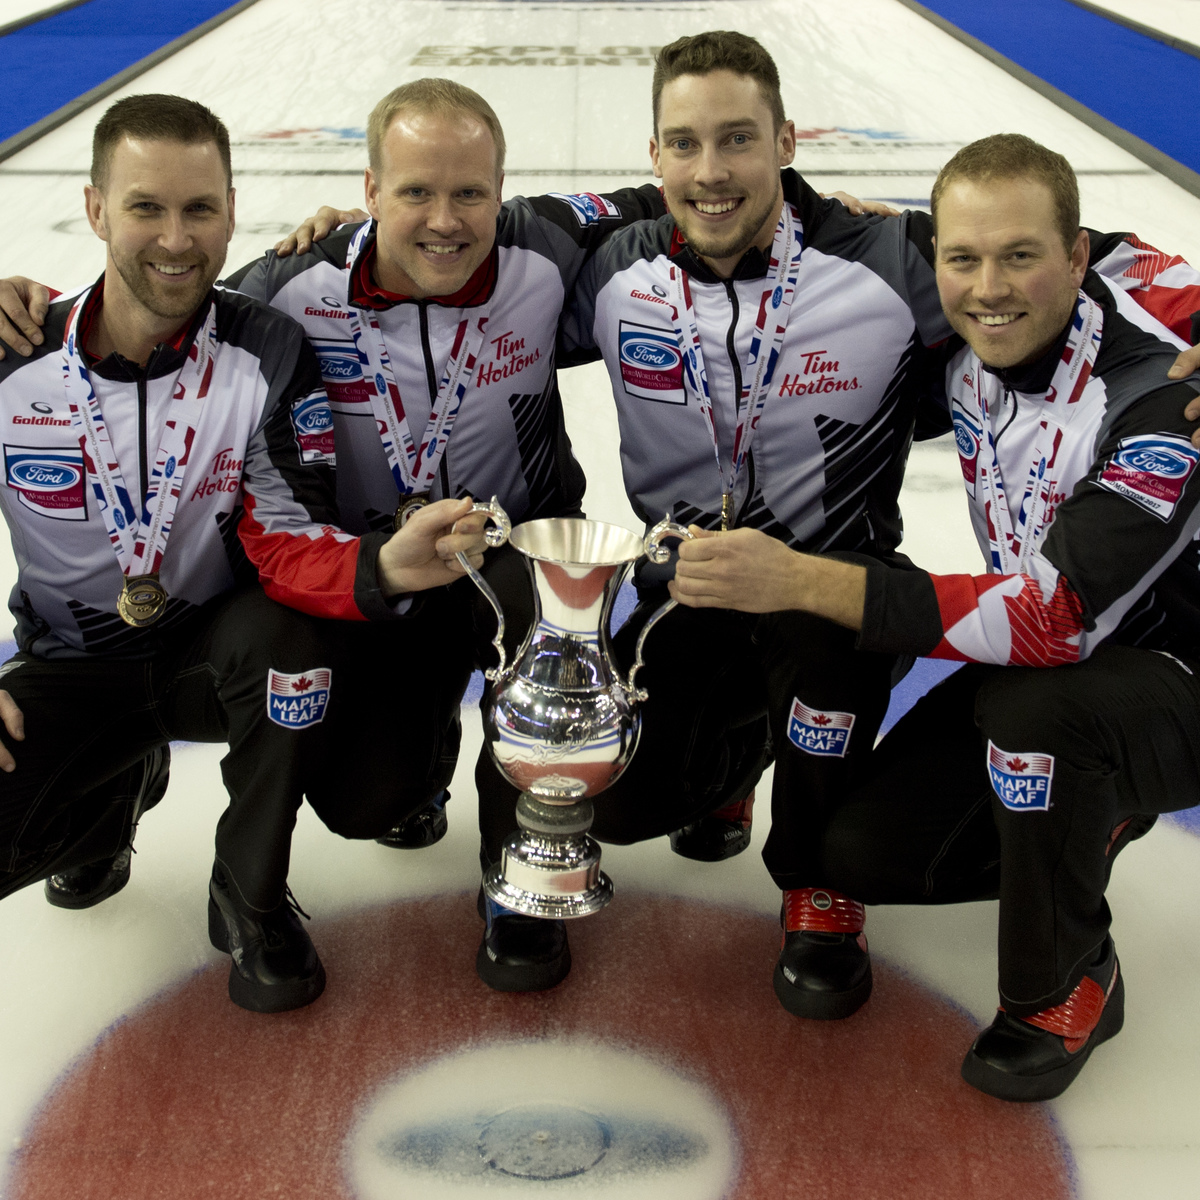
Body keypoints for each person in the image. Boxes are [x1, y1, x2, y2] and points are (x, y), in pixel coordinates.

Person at [667, 131, 1200, 1101]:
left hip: (1164, 674)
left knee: (1037, 719)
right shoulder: (958, 330)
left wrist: (797, 581)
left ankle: (1067, 982)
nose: (988, 286)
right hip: (1055, 668)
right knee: (853, 853)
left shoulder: (1163, 392)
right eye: (963, 258)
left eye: (1021, 256)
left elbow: (1054, 620)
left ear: (1077, 257)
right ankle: (1095, 807)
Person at [0, 94, 487, 1014]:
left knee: (288, 646)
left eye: (200, 209)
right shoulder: (12, 352)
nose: (176, 240)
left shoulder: (266, 346)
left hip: (209, 653)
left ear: (232, 210)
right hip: (69, 665)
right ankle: (102, 801)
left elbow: (287, 534)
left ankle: (251, 897)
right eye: (147, 207)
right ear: (97, 210)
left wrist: (376, 570)